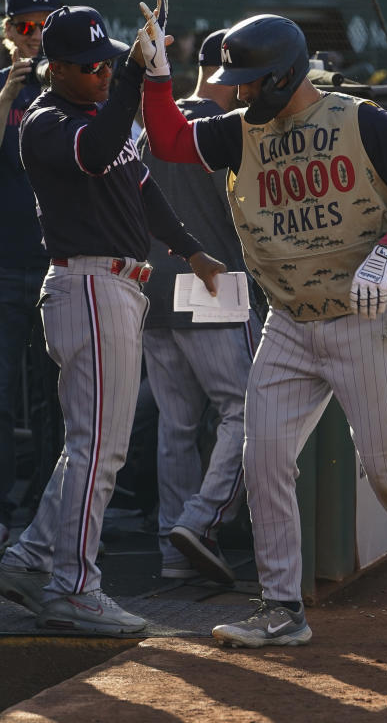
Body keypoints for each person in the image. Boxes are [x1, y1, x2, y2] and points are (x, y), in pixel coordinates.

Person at [138, 3, 387, 648]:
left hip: (366, 318)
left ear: (284, 75)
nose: (237, 93)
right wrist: (158, 77)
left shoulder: (361, 119)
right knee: (263, 458)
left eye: (248, 81)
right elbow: (168, 141)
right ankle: (280, 608)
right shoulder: (239, 129)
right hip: (289, 323)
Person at [0, 5, 224, 636]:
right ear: (54, 68)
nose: (102, 74)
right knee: (101, 450)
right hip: (87, 282)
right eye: (91, 66)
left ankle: (32, 556)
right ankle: (75, 586)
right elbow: (95, 155)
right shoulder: (46, 120)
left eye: (108, 63)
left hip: (114, 285)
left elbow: (144, 190)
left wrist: (194, 251)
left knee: (88, 447)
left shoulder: (97, 113)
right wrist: (138, 82)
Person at [137, 29, 258, 584]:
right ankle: (198, 521)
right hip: (210, 285)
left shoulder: (150, 128)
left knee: (177, 423)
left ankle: (170, 549)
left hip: (154, 287)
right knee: (244, 411)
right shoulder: (229, 132)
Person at [0, 0, 62, 557]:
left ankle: (48, 507)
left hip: (57, 261)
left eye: (48, 25)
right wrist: (11, 88)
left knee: (58, 393)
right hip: (0, 263)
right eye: (27, 26)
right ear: (8, 31)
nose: (38, 36)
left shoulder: (79, 86)